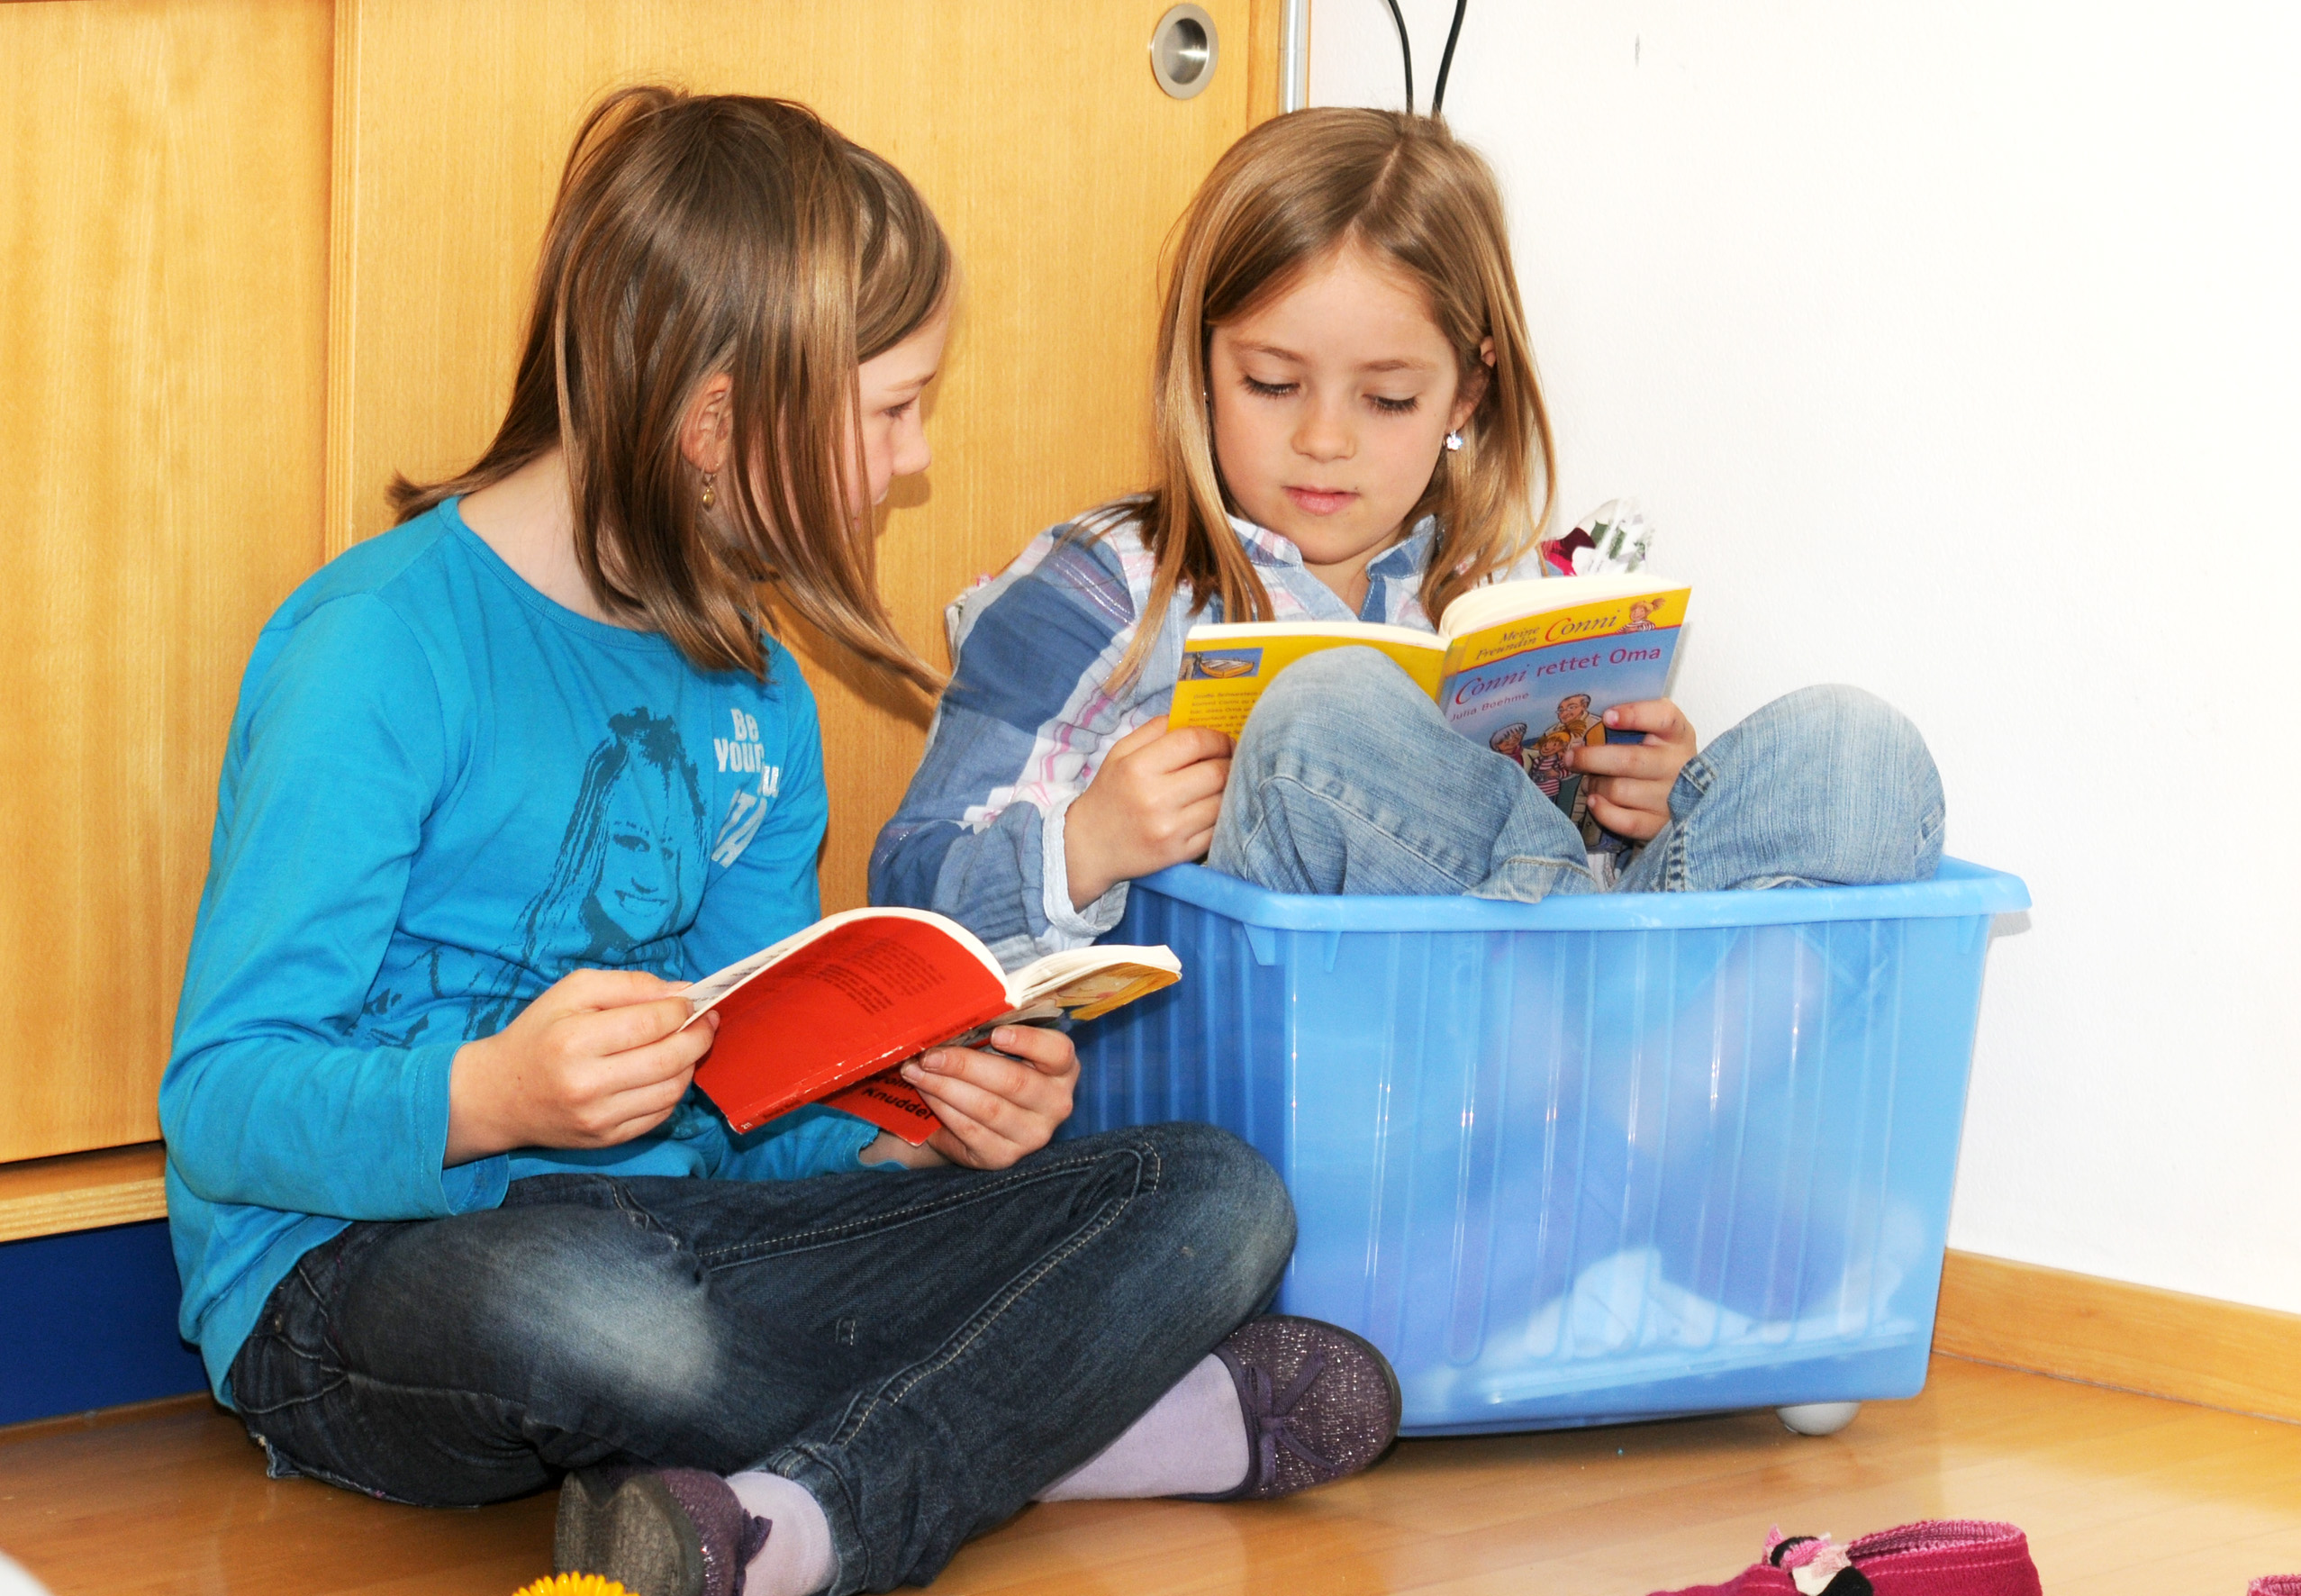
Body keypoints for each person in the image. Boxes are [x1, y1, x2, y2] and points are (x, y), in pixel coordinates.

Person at [159, 89, 1400, 1596]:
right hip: (363, 1272)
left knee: (1213, 1196)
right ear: (717, 422)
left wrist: (924, 1127)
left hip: (698, 1242)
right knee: (599, 1312)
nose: (912, 459)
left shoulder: (758, 693)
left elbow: (762, 1107)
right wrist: (494, 1095)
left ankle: (799, 1518)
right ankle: (1062, 1428)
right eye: (890, 409)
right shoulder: (379, 647)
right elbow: (221, 1101)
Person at [871, 108, 1940, 956]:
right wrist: (1085, 843)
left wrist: (1645, 809)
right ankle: (1588, 990)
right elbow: (904, 898)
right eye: (1271, 382)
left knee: (1857, 755)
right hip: (1316, 1066)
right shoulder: (1104, 586)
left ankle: (1609, 998)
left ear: (1466, 393)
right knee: (1325, 707)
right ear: (1199, 364)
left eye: (1386, 399)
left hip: (1541, 1042)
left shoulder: (1501, 599)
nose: (1323, 440)